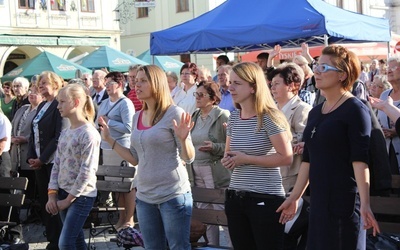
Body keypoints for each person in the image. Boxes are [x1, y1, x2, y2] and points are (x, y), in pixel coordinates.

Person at [277, 45, 380, 250]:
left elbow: (360, 160)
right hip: (319, 203)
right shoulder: (316, 112)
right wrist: (295, 197)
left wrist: (366, 204)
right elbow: (308, 159)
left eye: (324, 68)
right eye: (316, 66)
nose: (316, 71)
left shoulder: (355, 109)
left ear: (342, 75)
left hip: (345, 204)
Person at [99, 65, 194, 250]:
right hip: (144, 196)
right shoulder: (137, 117)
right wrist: (110, 140)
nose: (136, 84)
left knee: (178, 247)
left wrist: (183, 140)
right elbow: (134, 158)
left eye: (143, 81)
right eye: (136, 80)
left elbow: (189, 157)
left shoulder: (174, 113)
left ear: (157, 84)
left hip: (172, 194)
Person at [221, 62, 293, 250]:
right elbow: (229, 155)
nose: (230, 87)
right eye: (230, 82)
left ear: (253, 87)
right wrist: (228, 160)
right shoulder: (234, 117)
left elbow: (286, 157)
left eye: (237, 83)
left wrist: (247, 159)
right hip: (236, 197)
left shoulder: (269, 116)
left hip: (265, 199)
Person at [45, 83, 100, 250]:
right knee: (76, 241)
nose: (58, 106)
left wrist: (68, 200)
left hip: (80, 196)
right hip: (63, 192)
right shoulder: (67, 132)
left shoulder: (88, 133)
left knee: (66, 243)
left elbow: (87, 172)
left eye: (62, 102)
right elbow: (57, 164)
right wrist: (52, 194)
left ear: (76, 103)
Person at [27, 71, 67, 250]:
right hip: (39, 162)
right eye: (39, 84)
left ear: (55, 84)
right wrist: (31, 156)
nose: (40, 86)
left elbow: (58, 136)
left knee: (54, 200)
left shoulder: (59, 104)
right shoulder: (42, 105)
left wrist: (42, 159)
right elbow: (32, 133)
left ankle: (60, 239)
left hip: (52, 162)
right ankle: (52, 238)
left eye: (44, 83)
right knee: (45, 199)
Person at [189, 81, 232, 246]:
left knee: (222, 212)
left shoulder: (222, 116)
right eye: (196, 94)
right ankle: (212, 246)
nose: (197, 98)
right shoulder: (194, 115)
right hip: (196, 170)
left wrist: (214, 147)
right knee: (204, 214)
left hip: (215, 170)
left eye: (201, 95)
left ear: (213, 98)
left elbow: (231, 145)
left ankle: (231, 246)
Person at [96, 71, 136, 230]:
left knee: (127, 185)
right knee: (115, 186)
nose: (106, 87)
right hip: (106, 147)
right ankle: (121, 217)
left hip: (122, 148)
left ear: (119, 84)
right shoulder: (104, 103)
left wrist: (109, 122)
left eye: (109, 84)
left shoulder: (126, 103)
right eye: (105, 84)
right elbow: (98, 121)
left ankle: (130, 218)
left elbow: (128, 127)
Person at [269, 63, 312, 193]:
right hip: (272, 171)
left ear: (292, 86)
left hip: (292, 174)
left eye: (277, 84)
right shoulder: (271, 110)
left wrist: (275, 139)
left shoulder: (302, 109)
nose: (272, 88)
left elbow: (303, 140)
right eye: (271, 84)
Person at [10, 85, 44, 205]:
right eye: (30, 91)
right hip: (16, 153)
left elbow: (41, 131)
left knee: (30, 185)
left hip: (30, 153)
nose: (31, 94)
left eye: (36, 92)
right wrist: (11, 138)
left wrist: (26, 139)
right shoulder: (23, 108)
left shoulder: (42, 110)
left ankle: (31, 210)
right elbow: (13, 125)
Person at [376, 56, 400, 175]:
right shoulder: (384, 95)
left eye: (394, 67)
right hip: (386, 150)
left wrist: (396, 131)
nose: (389, 71)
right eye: (388, 68)